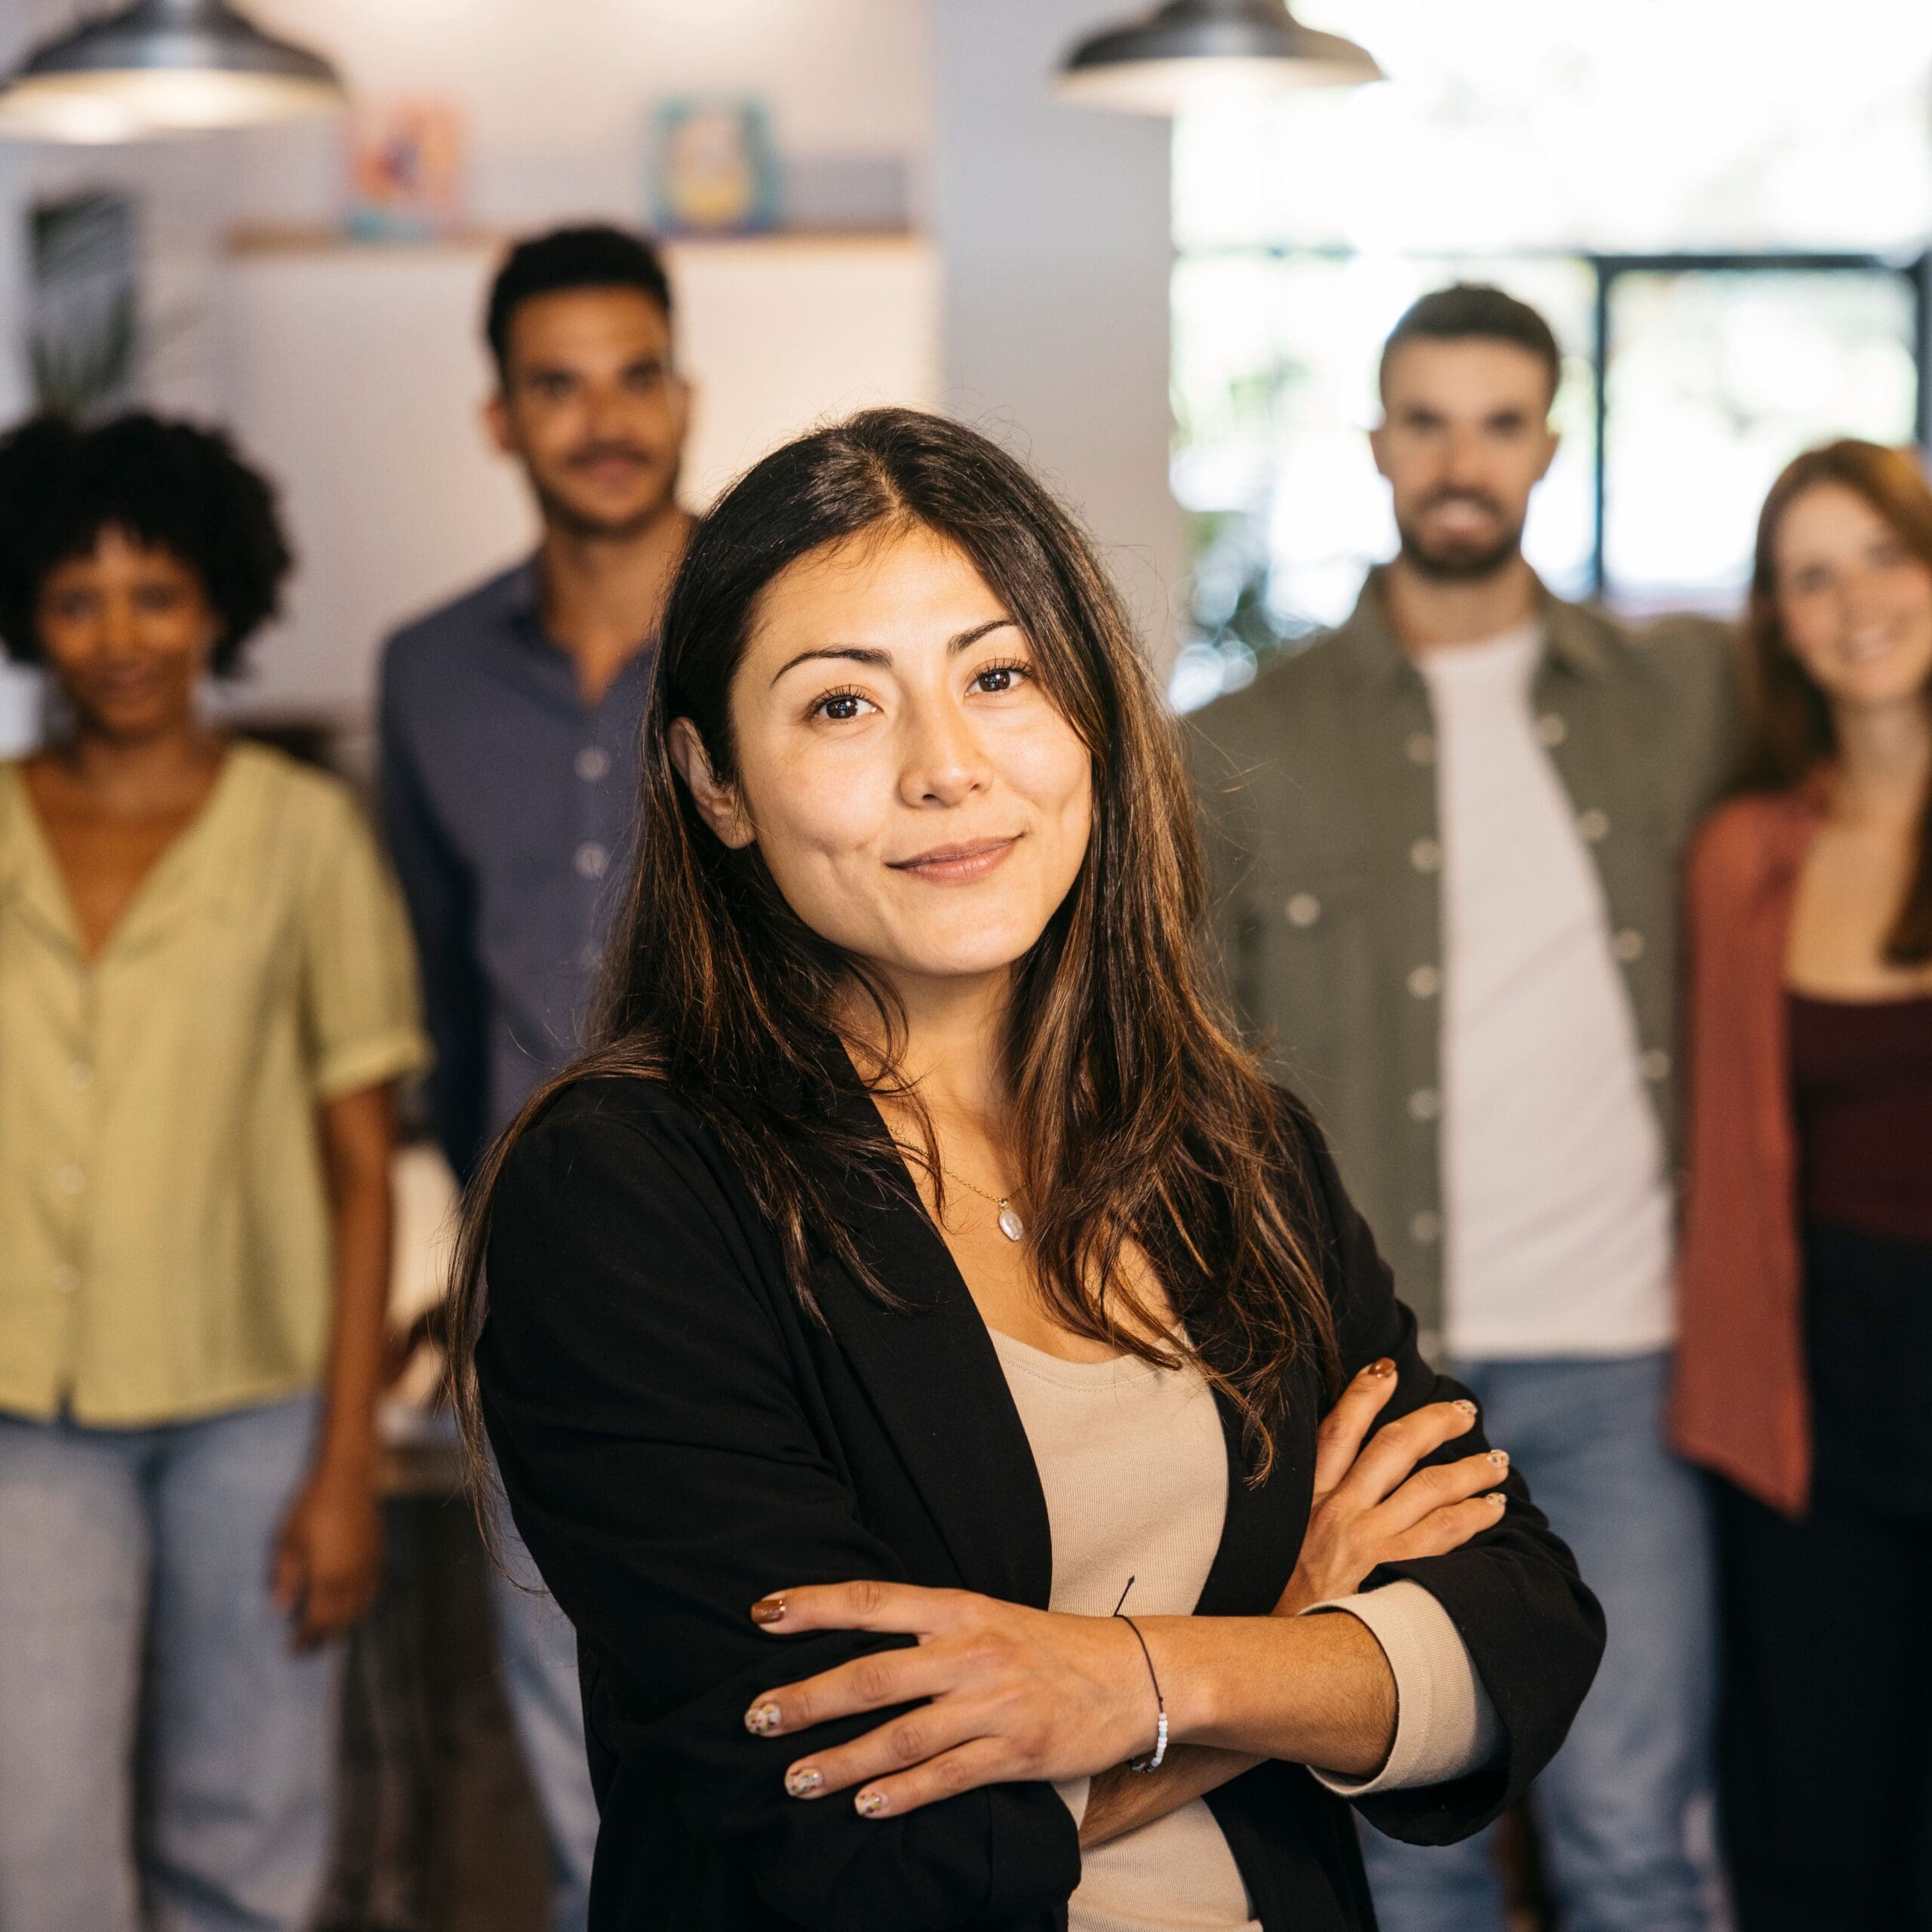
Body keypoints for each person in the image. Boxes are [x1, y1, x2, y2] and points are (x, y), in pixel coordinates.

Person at [449, 405, 1603, 1931]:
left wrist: (1125, 1677)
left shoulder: (1226, 1144)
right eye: (841, 708)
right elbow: (862, 1857)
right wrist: (1295, 1648)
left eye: (998, 675)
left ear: (1092, 721)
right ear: (714, 782)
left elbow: (1519, 1628)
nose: (947, 768)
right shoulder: (627, 1194)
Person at [1189, 285, 1734, 1932]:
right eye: (1423, 419)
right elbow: (1186, 1092)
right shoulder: (1238, 748)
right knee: (1398, 1848)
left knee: (1633, 1838)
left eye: (1496, 422)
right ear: (1373, 442)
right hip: (1380, 1390)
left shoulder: (1679, 701)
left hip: (1621, 1361)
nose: (1457, 458)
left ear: (1547, 446)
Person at [0, 413, 427, 1932]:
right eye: (76, 597)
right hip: (27, 1419)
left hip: (257, 1412)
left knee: (244, 1829)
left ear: (219, 603)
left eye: (157, 592)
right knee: (30, 1838)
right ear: (30, 616)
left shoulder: (307, 836)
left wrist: (345, 1464)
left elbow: (362, 1171)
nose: (119, 635)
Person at [378, 224, 694, 1930]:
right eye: (557, 384)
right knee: (579, 1777)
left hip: (773, 1254)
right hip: (538, 1290)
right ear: (500, 419)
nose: (604, 419)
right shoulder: (424, 676)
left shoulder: (777, 631)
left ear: (684, 391)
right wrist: (470, 1264)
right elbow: (434, 997)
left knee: (789, 1726)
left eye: (634, 373)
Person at [1672, 439, 1932, 1929]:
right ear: (1772, 621)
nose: (1854, 600)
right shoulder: (1742, 854)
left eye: (1881, 555)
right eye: (1807, 576)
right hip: (1804, 1391)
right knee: (1810, 1828)